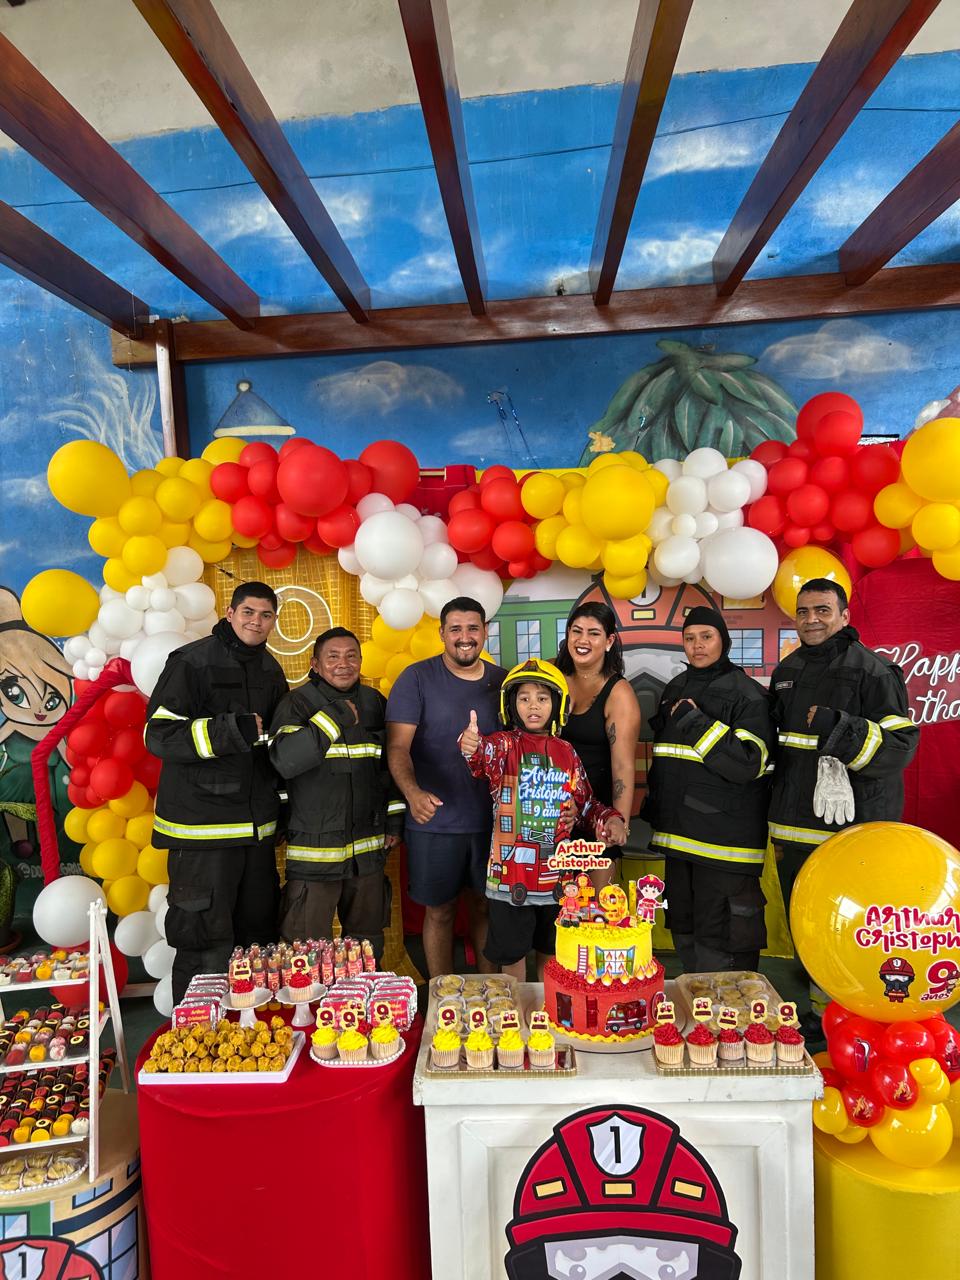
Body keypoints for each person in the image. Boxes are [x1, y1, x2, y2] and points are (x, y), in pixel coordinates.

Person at [769, 577, 919, 1030]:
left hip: (852, 827)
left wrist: (843, 730)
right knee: (806, 918)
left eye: (822, 611)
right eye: (803, 612)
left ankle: (846, 1011)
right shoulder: (787, 670)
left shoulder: (873, 671)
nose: (811, 620)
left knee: (845, 921)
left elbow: (898, 746)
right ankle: (821, 1007)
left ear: (844, 615)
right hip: (795, 826)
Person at [145, 581, 288, 1003]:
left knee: (256, 940)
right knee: (202, 940)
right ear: (229, 613)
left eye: (265, 615)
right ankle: (195, 1040)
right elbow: (159, 735)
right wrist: (231, 730)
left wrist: (280, 812)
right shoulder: (191, 662)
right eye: (248, 612)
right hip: (202, 833)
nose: (256, 622)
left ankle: (252, 1032)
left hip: (255, 835)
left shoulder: (270, 670)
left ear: (273, 621)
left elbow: (271, 753)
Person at [460, 659, 625, 980]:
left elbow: (587, 805)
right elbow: (481, 756)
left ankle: (548, 1016)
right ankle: (518, 1023)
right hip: (511, 878)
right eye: (524, 698)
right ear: (512, 705)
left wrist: (612, 820)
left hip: (558, 880)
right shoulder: (503, 746)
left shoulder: (566, 752)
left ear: (557, 705)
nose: (533, 706)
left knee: (552, 953)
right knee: (512, 955)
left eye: (542, 698)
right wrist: (471, 745)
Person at [643, 606, 774, 974]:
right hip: (679, 840)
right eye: (690, 638)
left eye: (706, 637)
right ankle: (700, 1019)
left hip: (725, 846)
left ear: (723, 640)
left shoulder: (747, 694)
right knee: (684, 929)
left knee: (723, 940)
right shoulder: (676, 688)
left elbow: (748, 764)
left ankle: (732, 1024)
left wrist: (695, 721)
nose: (697, 646)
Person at [386, 597, 506, 977]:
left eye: (473, 628)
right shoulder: (416, 678)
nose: (465, 637)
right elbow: (397, 747)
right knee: (439, 911)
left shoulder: (505, 683)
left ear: (486, 631)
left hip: (495, 823)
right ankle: (441, 999)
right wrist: (413, 793)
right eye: (455, 629)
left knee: (488, 907)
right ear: (441, 634)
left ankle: (493, 995)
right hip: (435, 821)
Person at [268, 627, 405, 960]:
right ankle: (310, 1013)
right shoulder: (295, 703)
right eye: (333, 656)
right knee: (304, 951)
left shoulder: (375, 703)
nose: (343, 664)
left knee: (366, 947)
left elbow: (391, 767)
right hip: (315, 854)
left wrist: (395, 820)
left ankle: (362, 1010)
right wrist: (333, 719)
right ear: (315, 664)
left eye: (351, 655)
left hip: (368, 855)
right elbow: (285, 762)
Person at [556, 602, 640, 886]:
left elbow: (623, 766)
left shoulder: (619, 693)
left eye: (593, 633)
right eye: (576, 631)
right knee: (551, 914)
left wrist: (619, 823)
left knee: (597, 912)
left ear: (609, 641)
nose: (583, 640)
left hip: (598, 818)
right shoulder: (549, 679)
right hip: (549, 817)